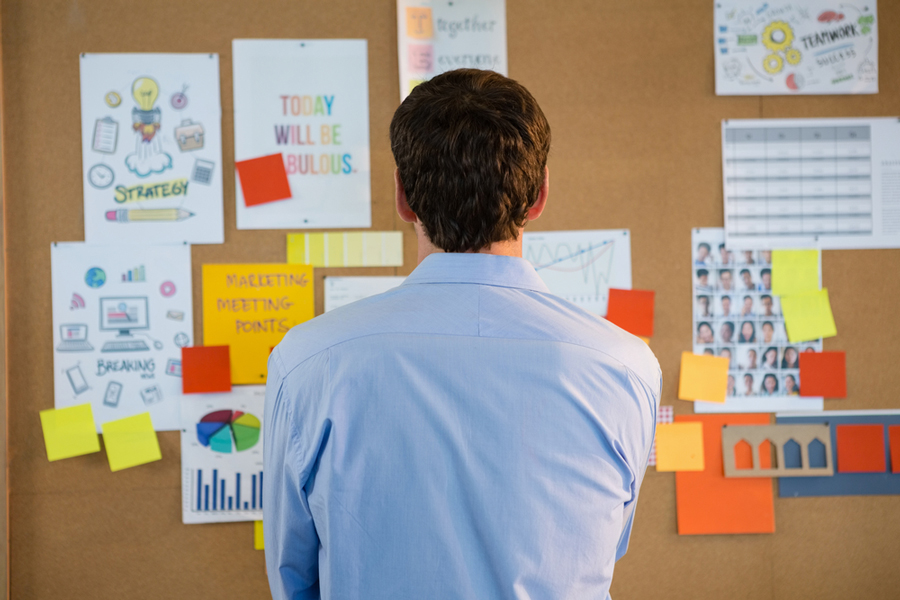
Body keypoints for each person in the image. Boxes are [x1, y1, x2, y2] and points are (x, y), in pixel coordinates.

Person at [263, 70, 662, 600]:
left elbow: (294, 576)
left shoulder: (308, 360)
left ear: (403, 198)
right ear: (540, 195)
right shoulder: (628, 366)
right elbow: (603, 544)